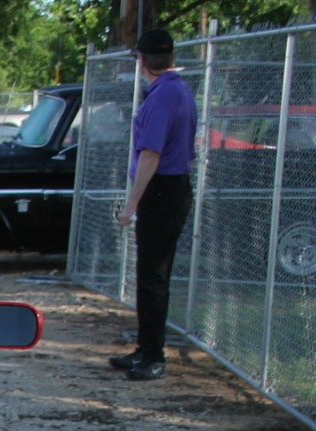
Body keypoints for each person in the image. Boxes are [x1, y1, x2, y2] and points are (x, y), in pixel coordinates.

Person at [110, 28, 197, 382]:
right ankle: (145, 349)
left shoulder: (163, 96)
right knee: (149, 275)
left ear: (143, 61)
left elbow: (151, 154)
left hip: (162, 190)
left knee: (153, 277)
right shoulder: (176, 90)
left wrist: (131, 205)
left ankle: (154, 355)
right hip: (168, 190)